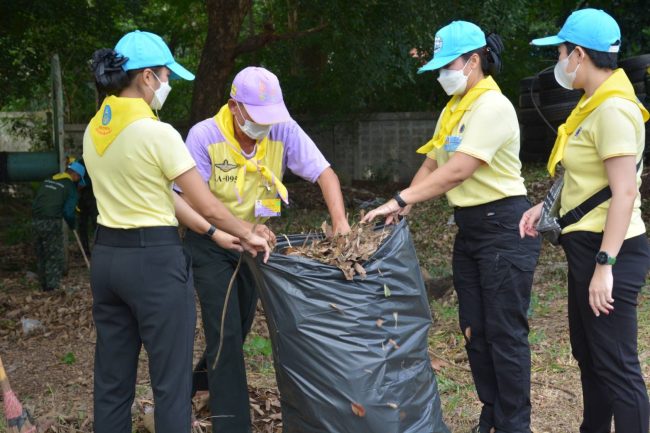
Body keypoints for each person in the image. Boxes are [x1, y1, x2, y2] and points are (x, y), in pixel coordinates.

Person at [83, 31, 271, 433]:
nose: (167, 84)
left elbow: (162, 194)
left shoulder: (94, 130)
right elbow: (205, 200)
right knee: (170, 383)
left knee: (112, 382)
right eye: (166, 75)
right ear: (147, 78)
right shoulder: (157, 134)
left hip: (107, 260)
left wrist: (213, 233)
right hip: (154, 264)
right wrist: (244, 231)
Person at [362, 21, 541, 433]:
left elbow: (460, 169)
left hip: (504, 228)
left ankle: (515, 424)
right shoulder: (454, 107)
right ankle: (492, 414)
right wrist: (402, 203)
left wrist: (404, 199)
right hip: (473, 231)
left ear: (474, 61)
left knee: (504, 334)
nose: (443, 74)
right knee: (475, 330)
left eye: (449, 65)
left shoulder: (492, 107)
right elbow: (434, 162)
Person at [180, 66, 350, 433]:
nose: (265, 126)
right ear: (234, 107)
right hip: (211, 242)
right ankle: (232, 424)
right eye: (258, 118)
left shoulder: (282, 129)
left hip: (254, 243)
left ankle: (193, 387)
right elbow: (194, 205)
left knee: (235, 330)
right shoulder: (204, 136)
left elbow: (325, 173)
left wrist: (340, 224)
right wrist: (226, 233)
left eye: (270, 118)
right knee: (223, 334)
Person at [521, 9, 650, 433]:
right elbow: (586, 179)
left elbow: (625, 191)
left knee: (616, 366)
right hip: (586, 244)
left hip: (610, 250)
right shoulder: (591, 107)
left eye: (560, 52)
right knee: (591, 357)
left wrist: (604, 266)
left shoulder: (613, 110)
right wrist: (547, 208)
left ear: (578, 54)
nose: (558, 61)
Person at [32, 160, 86, 291]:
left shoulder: (49, 180)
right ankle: (52, 287)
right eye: (79, 178)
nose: (78, 181)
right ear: (75, 175)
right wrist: (72, 225)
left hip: (35, 220)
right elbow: (68, 212)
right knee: (53, 254)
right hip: (51, 222)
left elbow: (38, 199)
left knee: (41, 253)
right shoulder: (70, 187)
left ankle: (43, 284)